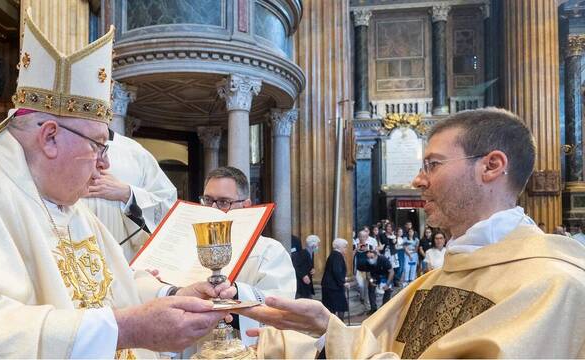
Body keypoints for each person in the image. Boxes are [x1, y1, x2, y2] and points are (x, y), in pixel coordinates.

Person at [0, 13, 233, 358]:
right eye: (98, 145)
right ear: (50, 137)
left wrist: (174, 296)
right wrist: (126, 329)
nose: (105, 163)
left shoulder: (69, 205)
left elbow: (115, 285)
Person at [236, 108, 585, 358]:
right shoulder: (437, 278)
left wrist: (331, 333)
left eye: (432, 165)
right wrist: (295, 337)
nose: (418, 180)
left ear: (491, 166)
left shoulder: (552, 284)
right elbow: (368, 343)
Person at [199, 166, 296, 346]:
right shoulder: (192, 248)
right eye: (207, 200)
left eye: (223, 202)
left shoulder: (269, 250)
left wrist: (236, 293)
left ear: (246, 205)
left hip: (245, 348)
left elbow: (280, 306)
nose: (212, 209)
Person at [83, 131, 177, 261]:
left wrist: (128, 194)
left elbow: (169, 207)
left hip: (121, 260)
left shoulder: (135, 152)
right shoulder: (64, 142)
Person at [356, 250, 394, 315]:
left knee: (388, 290)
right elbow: (368, 274)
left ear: (376, 256)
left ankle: (384, 308)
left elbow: (391, 272)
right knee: (371, 288)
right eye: (368, 258)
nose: (370, 259)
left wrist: (387, 284)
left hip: (385, 275)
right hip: (375, 275)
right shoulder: (367, 262)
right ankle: (373, 309)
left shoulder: (383, 259)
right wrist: (371, 281)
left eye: (371, 257)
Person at [321, 238, 350, 319]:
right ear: (339, 247)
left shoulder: (334, 255)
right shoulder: (337, 255)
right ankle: (339, 326)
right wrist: (343, 282)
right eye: (345, 247)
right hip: (334, 288)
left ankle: (334, 326)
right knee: (340, 307)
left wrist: (343, 278)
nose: (346, 249)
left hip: (330, 286)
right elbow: (336, 271)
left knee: (331, 309)